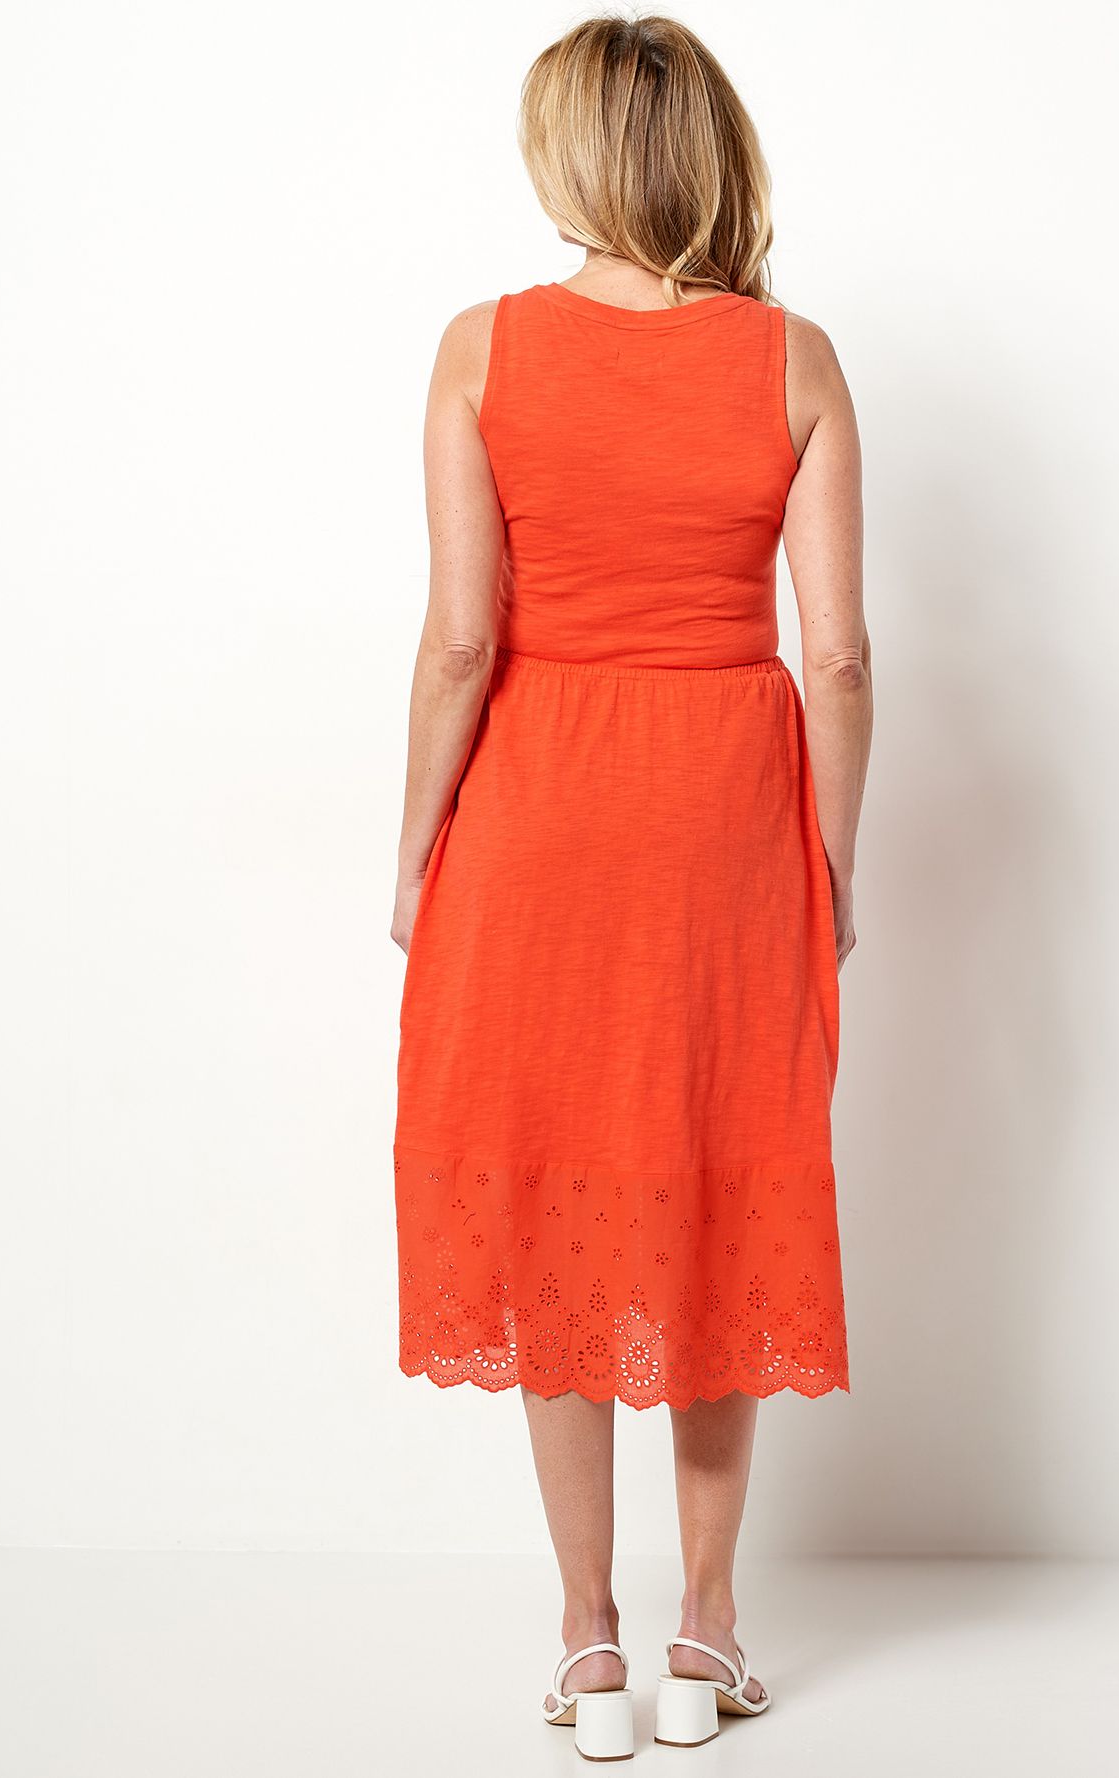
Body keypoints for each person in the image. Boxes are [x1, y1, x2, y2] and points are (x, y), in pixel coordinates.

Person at [388, 14, 871, 1759]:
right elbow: (840, 657)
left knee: (557, 1198)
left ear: (571, 159)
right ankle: (707, 1633)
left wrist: (415, 842)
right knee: (721, 1187)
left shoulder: (483, 348)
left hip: (539, 812)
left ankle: (588, 1640)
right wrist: (829, 866)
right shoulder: (794, 359)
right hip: (724, 820)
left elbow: (463, 640)